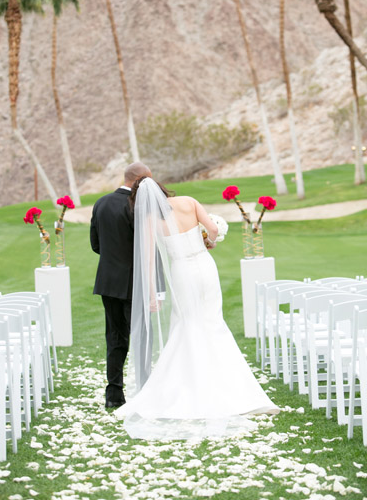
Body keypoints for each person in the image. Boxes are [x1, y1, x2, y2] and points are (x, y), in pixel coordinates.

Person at [115, 177, 279, 440]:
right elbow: (212, 229)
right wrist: (209, 242)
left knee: (187, 325)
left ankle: (188, 386)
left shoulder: (149, 221)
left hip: (182, 272)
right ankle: (234, 390)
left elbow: (147, 261)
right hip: (205, 267)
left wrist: (150, 295)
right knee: (213, 322)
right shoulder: (189, 202)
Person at [90, 161, 152, 408]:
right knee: (141, 338)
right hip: (133, 283)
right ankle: (145, 391)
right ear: (139, 180)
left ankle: (114, 394)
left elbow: (96, 245)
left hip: (107, 282)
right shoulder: (136, 204)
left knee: (115, 338)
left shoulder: (101, 202)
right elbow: (145, 248)